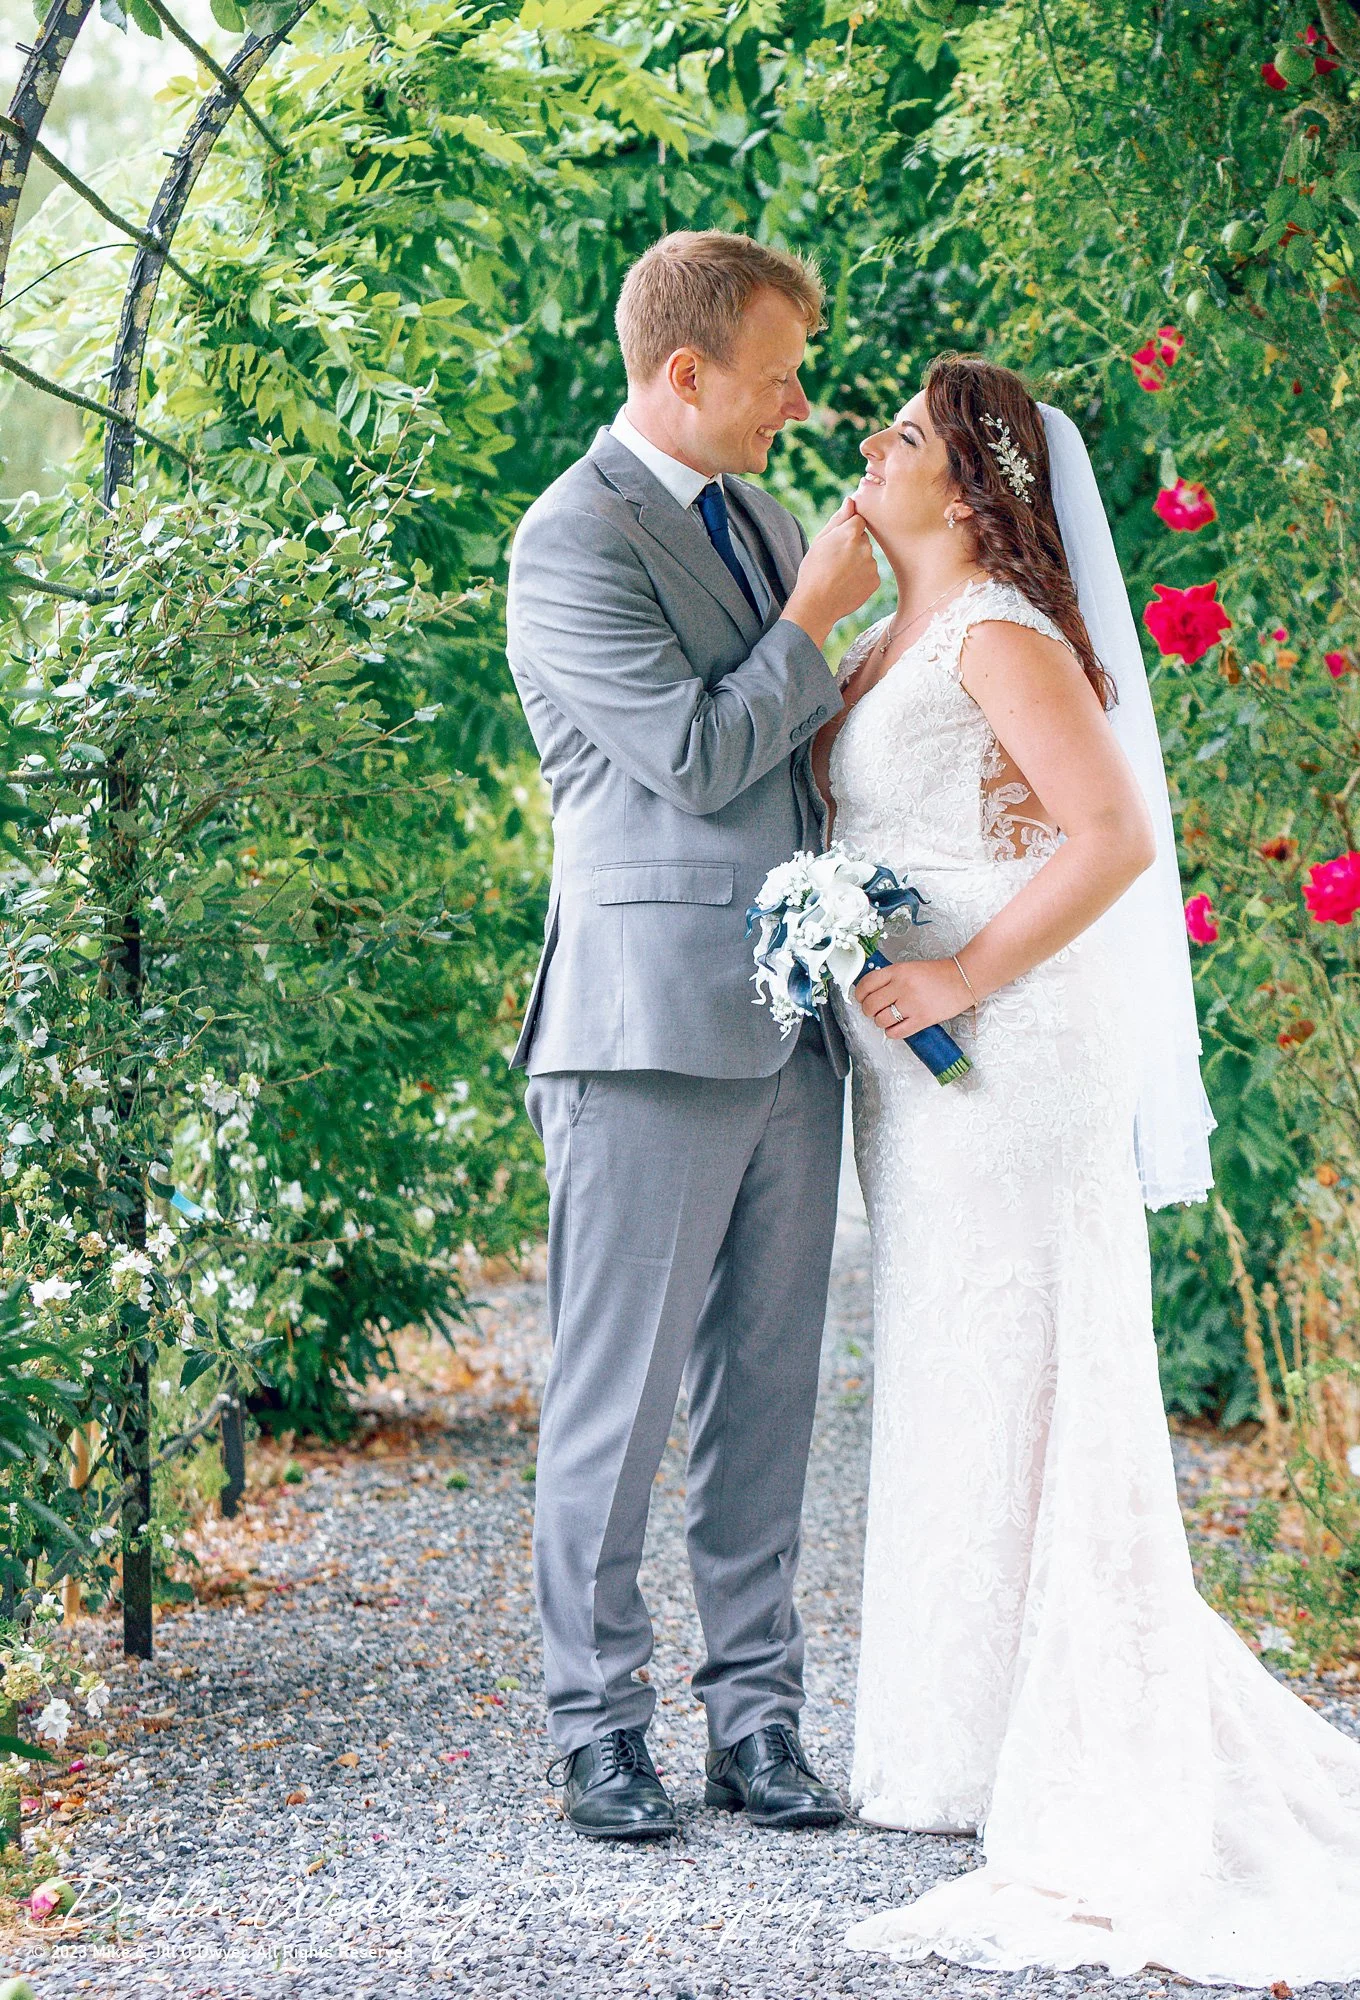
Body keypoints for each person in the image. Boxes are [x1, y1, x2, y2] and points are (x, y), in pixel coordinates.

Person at [821, 351, 1360, 1983]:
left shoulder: (999, 636)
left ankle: (1043, 1736)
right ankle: (951, 1740)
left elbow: (1111, 837)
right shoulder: (888, 635)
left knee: (1021, 1359)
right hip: (920, 1081)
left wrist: (960, 977)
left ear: (965, 493)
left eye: (895, 439)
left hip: (1004, 1062)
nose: (863, 452)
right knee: (955, 1369)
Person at [503, 230, 878, 1841]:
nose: (796, 404)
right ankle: (598, 1731)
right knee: (618, 1402)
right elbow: (703, 753)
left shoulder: (770, 517)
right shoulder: (570, 540)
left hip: (794, 1028)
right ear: (687, 372)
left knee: (768, 1395)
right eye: (778, 373)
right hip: (643, 1028)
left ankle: (759, 1723)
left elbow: (803, 756)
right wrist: (820, 617)